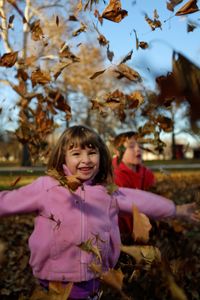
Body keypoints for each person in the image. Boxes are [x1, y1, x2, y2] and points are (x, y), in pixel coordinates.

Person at [0, 125, 199, 300]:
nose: (85, 160)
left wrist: (175, 209)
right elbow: (8, 201)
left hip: (93, 278)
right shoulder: (47, 187)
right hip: (53, 279)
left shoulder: (106, 192)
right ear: (63, 156)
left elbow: (142, 200)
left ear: (101, 155)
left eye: (91, 152)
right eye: (76, 154)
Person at [112, 131, 156, 236]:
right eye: (131, 146)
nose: (138, 149)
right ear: (117, 152)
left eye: (140, 145)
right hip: (121, 232)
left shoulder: (147, 174)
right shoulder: (113, 176)